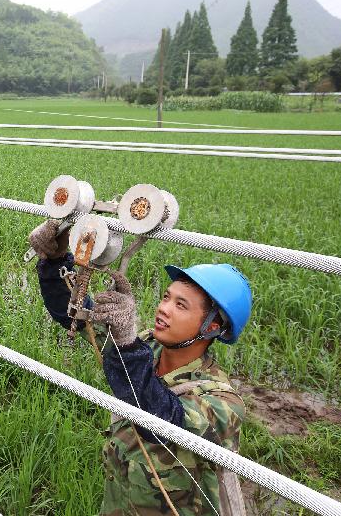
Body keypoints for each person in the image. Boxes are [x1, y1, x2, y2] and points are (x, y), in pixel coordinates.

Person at [29, 219, 252, 515]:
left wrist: (127, 344)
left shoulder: (223, 402)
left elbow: (163, 421)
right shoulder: (147, 347)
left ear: (212, 326)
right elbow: (77, 319)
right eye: (166, 297)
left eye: (181, 305)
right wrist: (55, 260)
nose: (164, 308)